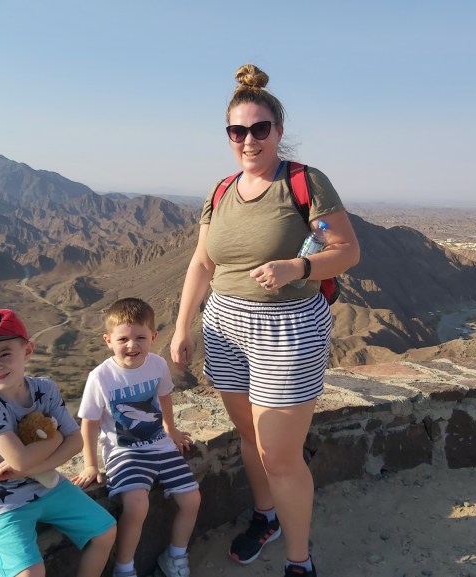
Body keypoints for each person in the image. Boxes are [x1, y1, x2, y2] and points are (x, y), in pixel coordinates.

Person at [170, 64, 360, 577]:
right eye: (238, 131)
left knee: (280, 455)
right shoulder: (220, 190)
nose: (249, 140)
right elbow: (202, 263)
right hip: (224, 326)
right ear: (228, 136)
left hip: (287, 325)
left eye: (259, 129)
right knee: (250, 438)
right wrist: (182, 326)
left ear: (277, 130)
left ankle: (300, 561)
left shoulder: (303, 181)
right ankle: (266, 516)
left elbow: (346, 251)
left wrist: (297, 266)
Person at [0, 308, 116, 577]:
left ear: (28, 350)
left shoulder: (45, 388)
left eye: (5, 354)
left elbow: (75, 441)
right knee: (30, 572)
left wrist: (30, 468)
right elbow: (21, 458)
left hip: (46, 485)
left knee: (104, 530)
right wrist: (54, 437)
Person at [72, 297, 201, 577]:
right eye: (123, 339)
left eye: (141, 337)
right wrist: (91, 465)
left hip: (161, 445)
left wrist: (171, 429)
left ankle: (176, 555)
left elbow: (164, 396)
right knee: (136, 505)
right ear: (108, 340)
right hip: (124, 452)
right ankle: (125, 567)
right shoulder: (101, 377)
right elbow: (90, 423)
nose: (132, 345)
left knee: (191, 499)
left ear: (153, 337)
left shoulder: (157, 365)